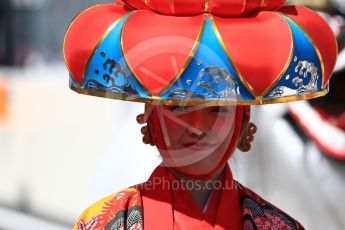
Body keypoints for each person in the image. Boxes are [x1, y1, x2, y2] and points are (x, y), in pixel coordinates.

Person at [63, 0, 337, 229]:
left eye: (218, 110)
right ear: (150, 118)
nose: (196, 126)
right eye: (177, 108)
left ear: (243, 123)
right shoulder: (102, 223)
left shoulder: (277, 226)